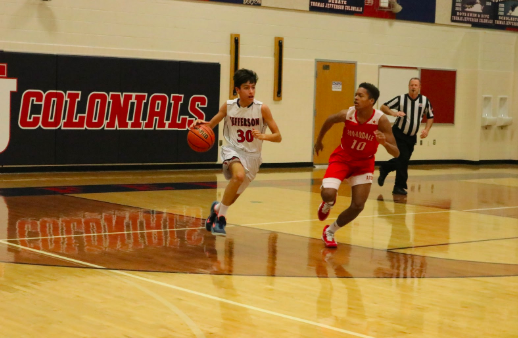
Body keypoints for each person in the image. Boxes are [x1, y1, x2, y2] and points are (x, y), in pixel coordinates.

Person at [190, 69, 282, 236]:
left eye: (253, 87)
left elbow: (278, 136)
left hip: (253, 157)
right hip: (233, 150)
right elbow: (210, 125)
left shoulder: (263, 109)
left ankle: (216, 209)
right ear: (237, 90)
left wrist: (264, 136)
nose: (251, 91)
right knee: (238, 176)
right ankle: (222, 219)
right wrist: (200, 125)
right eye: (246, 87)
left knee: (230, 199)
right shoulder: (229, 106)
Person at [314, 83, 399, 248]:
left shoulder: (380, 120)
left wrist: (384, 144)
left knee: (358, 205)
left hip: (364, 163)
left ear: (371, 101)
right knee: (328, 193)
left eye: (361, 96)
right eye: (356, 95)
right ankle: (328, 203)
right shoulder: (348, 114)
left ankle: (330, 231)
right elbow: (329, 120)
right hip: (343, 158)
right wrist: (319, 141)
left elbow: (396, 153)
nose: (356, 98)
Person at [377, 77, 434, 195]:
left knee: (403, 159)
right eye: (411, 85)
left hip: (411, 136)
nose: (413, 87)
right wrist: (394, 113)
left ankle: (385, 168)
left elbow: (430, 116)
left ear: (419, 87)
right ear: (409, 86)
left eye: (415, 85)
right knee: (403, 159)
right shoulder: (401, 99)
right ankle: (399, 186)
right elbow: (383, 106)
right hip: (398, 133)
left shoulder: (424, 101)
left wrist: (427, 130)